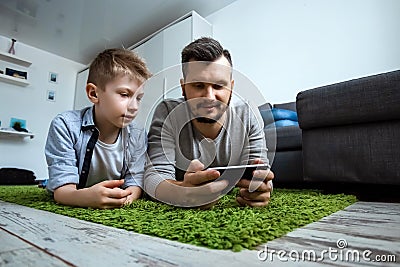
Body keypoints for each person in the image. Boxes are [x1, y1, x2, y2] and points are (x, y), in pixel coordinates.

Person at [144, 37, 274, 208]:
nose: (209, 97)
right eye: (198, 85)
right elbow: (153, 179)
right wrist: (182, 192)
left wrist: (262, 188)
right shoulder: (168, 112)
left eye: (219, 86)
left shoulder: (247, 113)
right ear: (183, 87)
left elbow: (260, 172)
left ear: (231, 87)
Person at [45, 48, 151, 209]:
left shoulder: (138, 134)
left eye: (139, 98)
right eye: (124, 94)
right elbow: (62, 191)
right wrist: (86, 197)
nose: (134, 106)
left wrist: (125, 198)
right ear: (94, 93)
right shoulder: (65, 125)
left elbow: (135, 182)